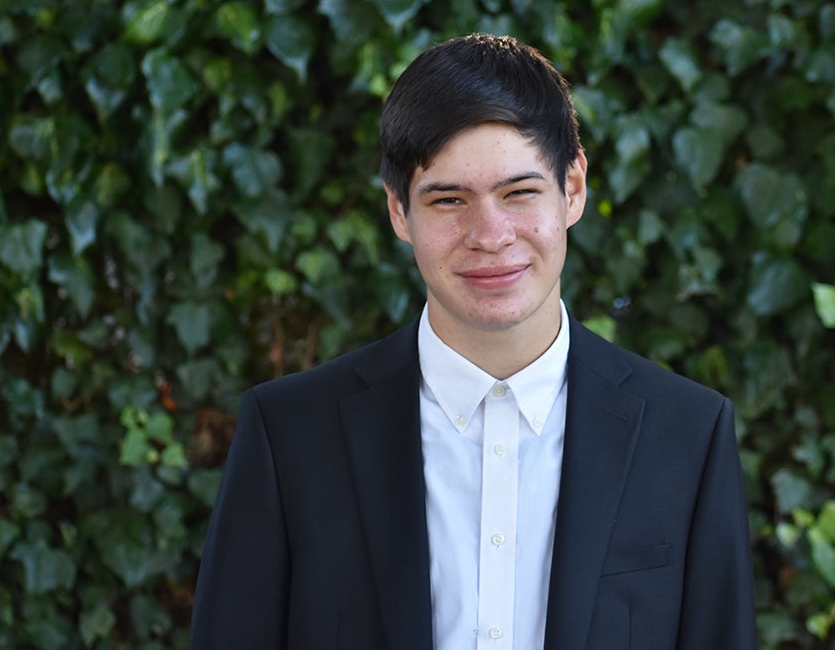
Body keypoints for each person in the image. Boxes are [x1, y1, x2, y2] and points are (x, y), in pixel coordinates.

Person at [190, 33, 755, 649]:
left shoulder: (687, 434)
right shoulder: (289, 434)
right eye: (449, 199)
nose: (490, 235)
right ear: (399, 212)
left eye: (519, 193)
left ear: (573, 189)